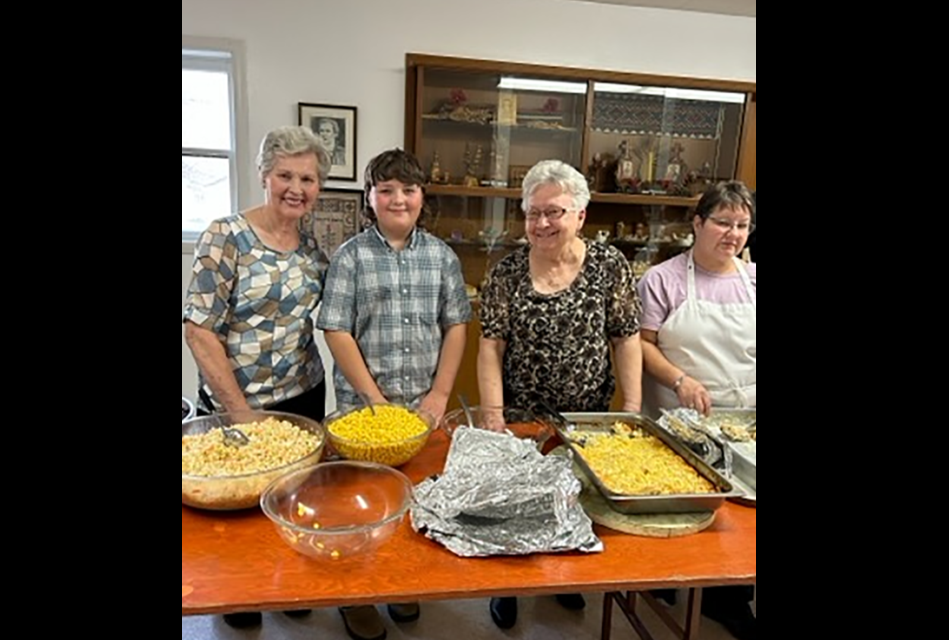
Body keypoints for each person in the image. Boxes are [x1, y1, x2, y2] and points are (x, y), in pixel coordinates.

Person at [476, 159, 644, 629]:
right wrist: (493, 413)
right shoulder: (507, 271)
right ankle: (507, 586)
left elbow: (625, 337)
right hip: (521, 413)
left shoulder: (610, 266)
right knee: (514, 502)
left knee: (575, 498)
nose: (542, 223)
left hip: (586, 415)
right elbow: (490, 346)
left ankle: (566, 577)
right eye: (533, 213)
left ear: (580, 215)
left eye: (554, 212)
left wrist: (630, 408)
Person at [317, 148, 472, 640]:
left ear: (423, 197)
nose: (398, 199)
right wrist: (375, 403)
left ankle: (401, 585)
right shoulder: (350, 256)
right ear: (370, 198)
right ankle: (356, 598)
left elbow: (456, 327)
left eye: (408, 189)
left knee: (416, 502)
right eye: (386, 189)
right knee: (361, 506)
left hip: (422, 409)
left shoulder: (442, 257)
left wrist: (440, 395)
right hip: (364, 412)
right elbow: (336, 329)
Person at [182, 124, 331, 629]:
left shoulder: (312, 247)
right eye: (285, 174)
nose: (297, 187)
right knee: (237, 511)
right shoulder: (226, 237)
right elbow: (198, 331)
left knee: (294, 504)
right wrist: (240, 412)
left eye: (308, 178)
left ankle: (288, 583)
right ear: (264, 175)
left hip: (302, 398)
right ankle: (241, 596)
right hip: (236, 403)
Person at [636, 180, 756, 640]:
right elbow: (641, 346)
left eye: (742, 225)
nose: (733, 234)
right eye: (723, 222)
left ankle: (729, 599)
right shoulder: (663, 279)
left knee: (739, 518)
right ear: (698, 223)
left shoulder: (751, 280)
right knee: (679, 507)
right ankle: (666, 585)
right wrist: (680, 379)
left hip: (741, 419)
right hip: (678, 417)